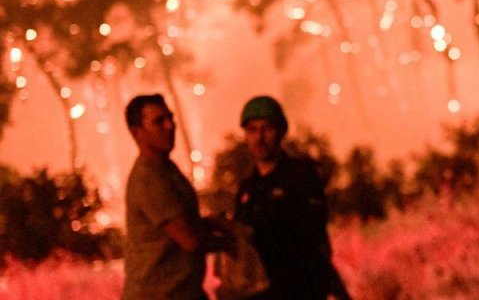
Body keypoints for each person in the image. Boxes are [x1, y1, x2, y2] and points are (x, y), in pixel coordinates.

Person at [234, 95, 351, 300]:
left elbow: (314, 241)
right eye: (252, 130)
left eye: (267, 129)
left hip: (300, 289)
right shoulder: (248, 189)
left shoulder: (301, 177)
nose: (259, 138)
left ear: (281, 131)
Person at [123, 93, 229, 300]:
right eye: (158, 122)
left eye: (170, 118)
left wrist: (213, 223)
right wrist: (230, 242)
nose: (170, 126)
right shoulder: (149, 178)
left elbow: (181, 222)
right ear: (137, 132)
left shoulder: (166, 169)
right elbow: (189, 240)